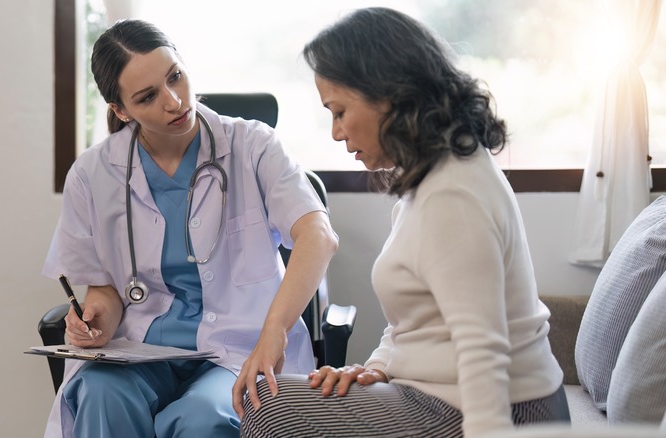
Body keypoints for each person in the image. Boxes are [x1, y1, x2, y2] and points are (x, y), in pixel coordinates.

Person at [236, 7, 570, 438]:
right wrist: (376, 370)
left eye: (339, 111)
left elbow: (482, 350)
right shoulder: (432, 177)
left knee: (268, 411)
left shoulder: (453, 196)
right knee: (265, 399)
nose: (336, 133)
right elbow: (417, 322)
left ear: (387, 96)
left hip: (499, 407)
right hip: (441, 392)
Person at [41, 19, 338, 438]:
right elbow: (106, 292)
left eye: (175, 77)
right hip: (143, 350)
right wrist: (93, 324)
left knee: (202, 418)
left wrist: (274, 334)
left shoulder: (253, 146)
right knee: (100, 392)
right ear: (121, 111)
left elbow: (318, 235)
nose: (175, 100)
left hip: (241, 348)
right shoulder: (93, 175)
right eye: (148, 97)